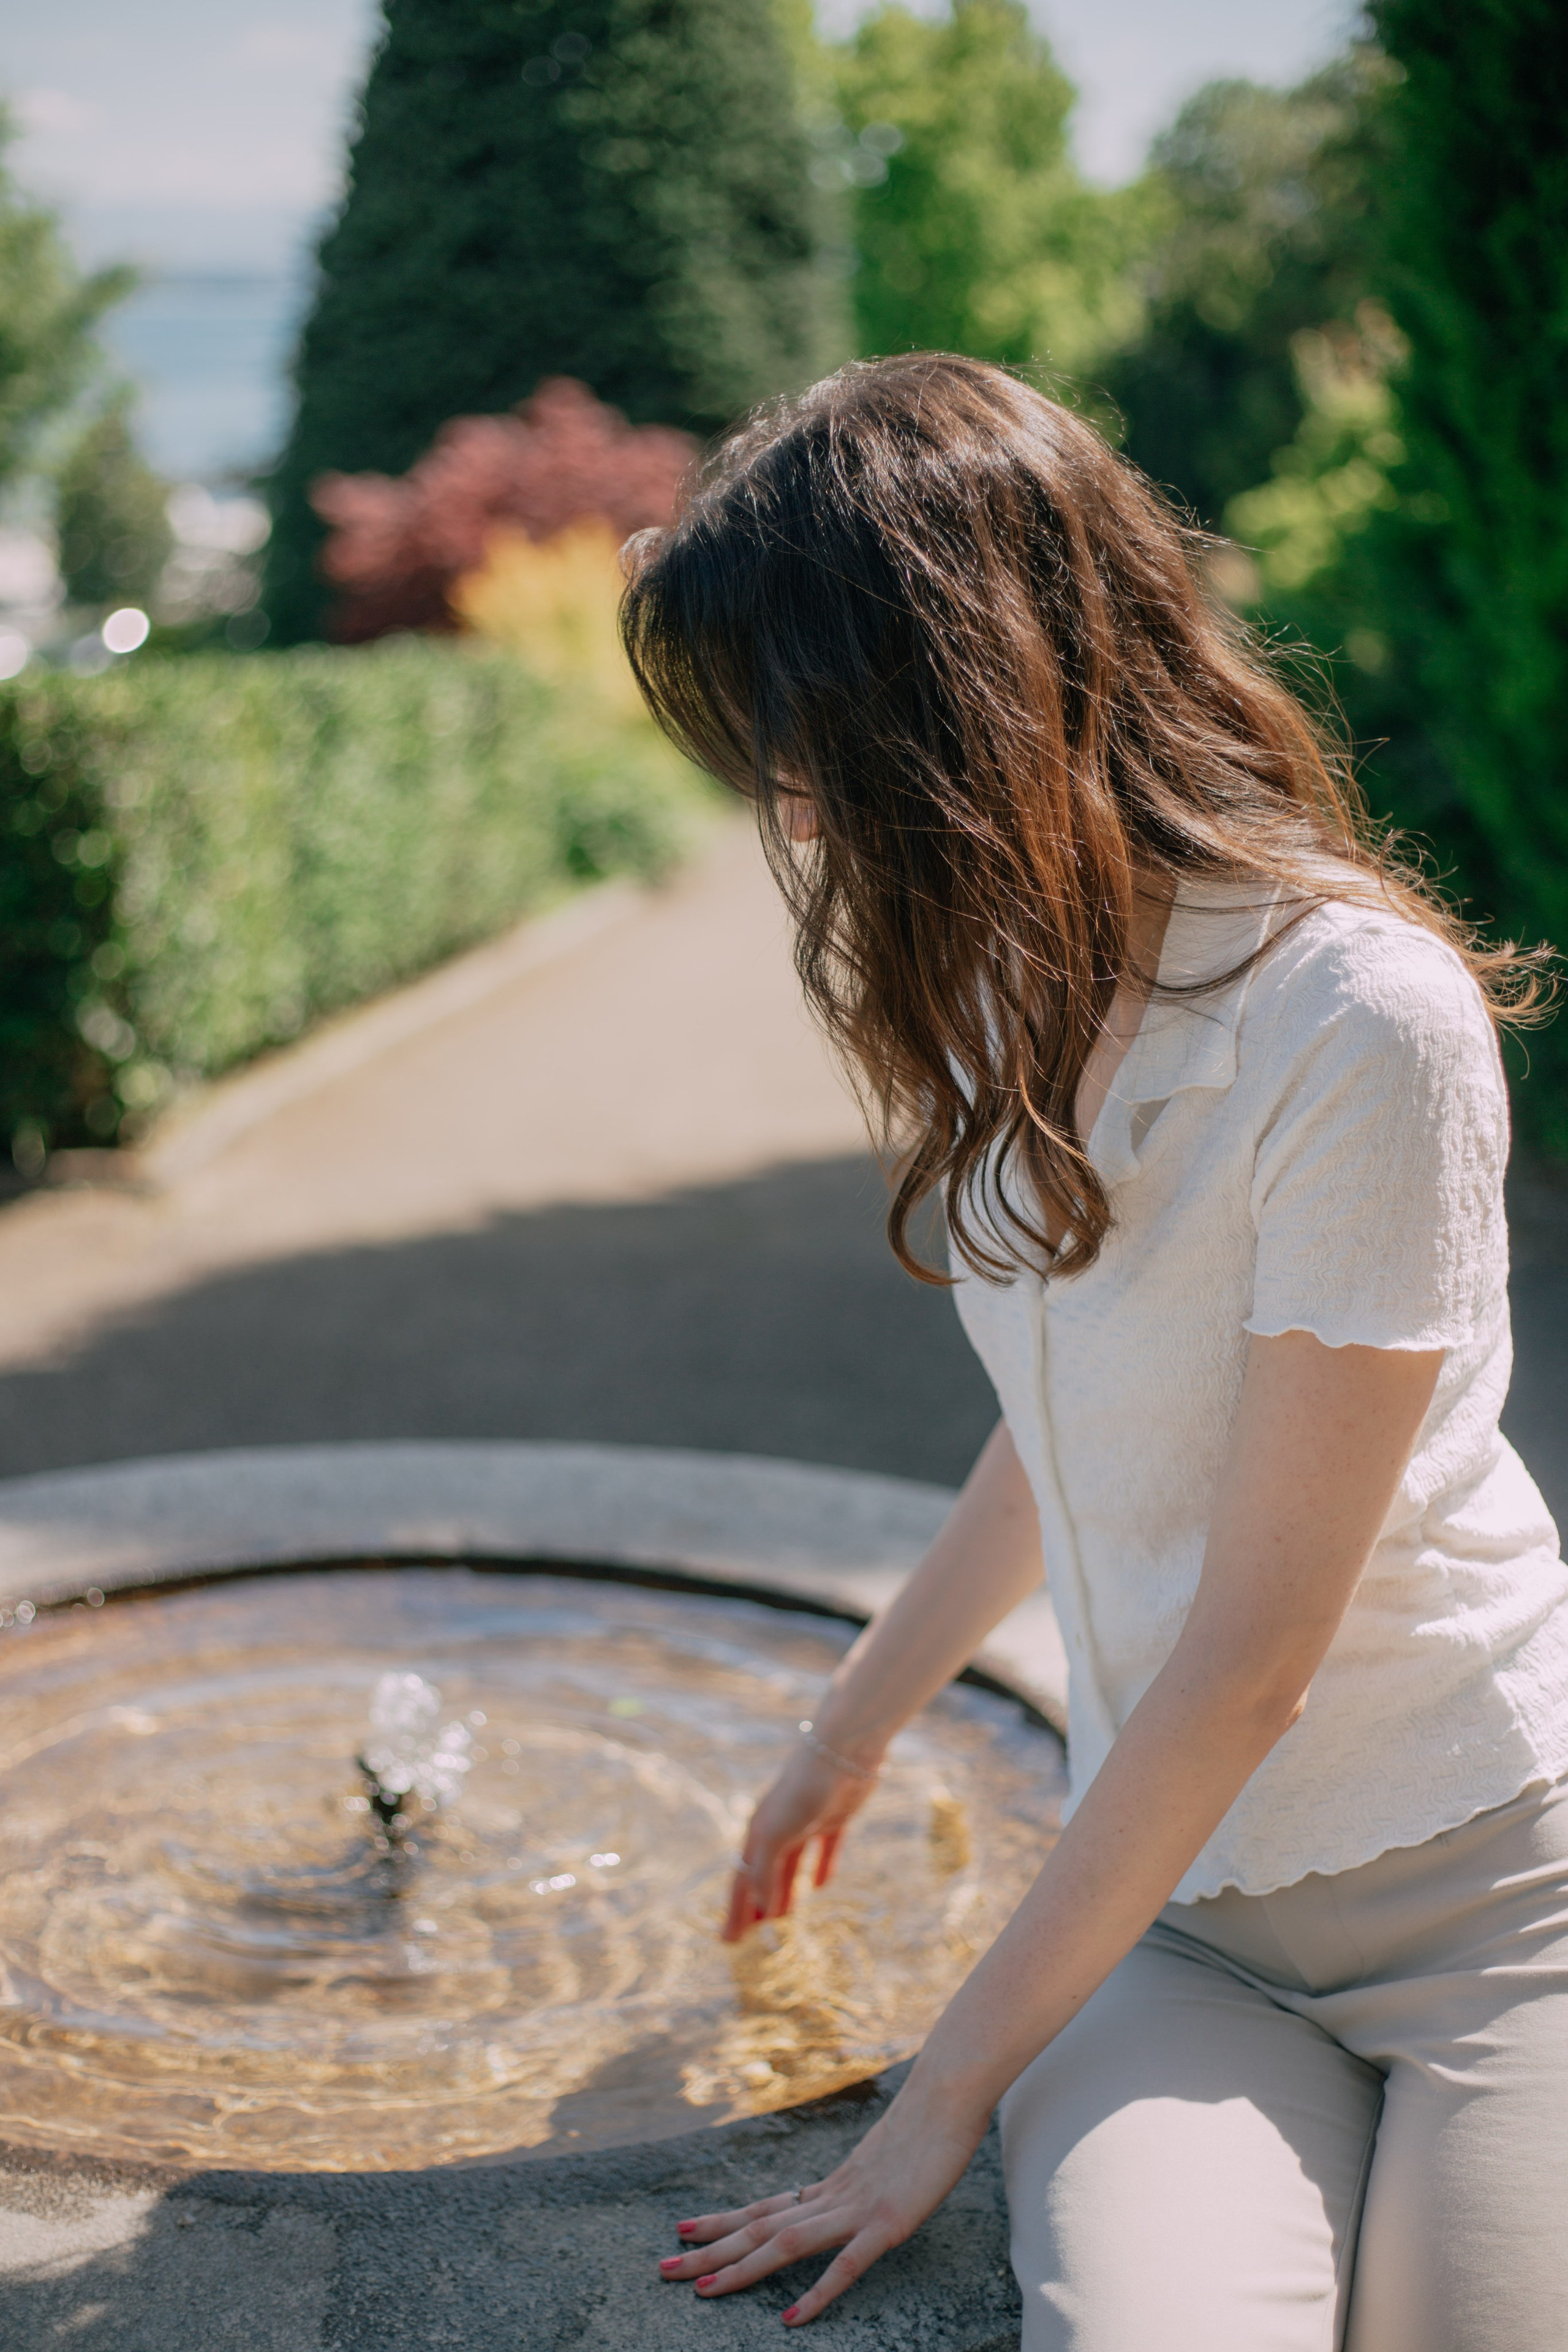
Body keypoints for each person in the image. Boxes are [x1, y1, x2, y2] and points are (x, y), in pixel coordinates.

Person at [619, 354, 1568, 2350]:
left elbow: (1253, 1662)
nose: (789, 807)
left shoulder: (1357, 1020)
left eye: (805, 745)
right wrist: (844, 1736)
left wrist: (938, 2095)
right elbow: (1072, 1429)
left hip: (1502, 1908)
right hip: (1184, 1923)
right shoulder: (1006, 982)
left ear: (954, 698)